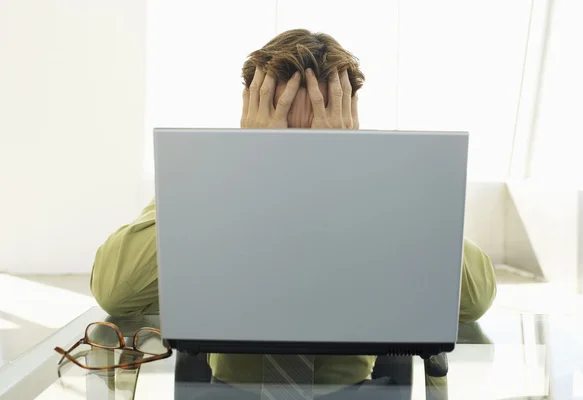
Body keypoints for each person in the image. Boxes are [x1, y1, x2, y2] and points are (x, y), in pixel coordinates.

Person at [90, 29, 497, 390]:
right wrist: (250, 166)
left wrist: (348, 168)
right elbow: (115, 290)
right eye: (287, 136)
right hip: (230, 391)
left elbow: (475, 299)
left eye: (316, 136)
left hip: (355, 391)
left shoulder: (387, 186)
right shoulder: (209, 182)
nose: (300, 156)